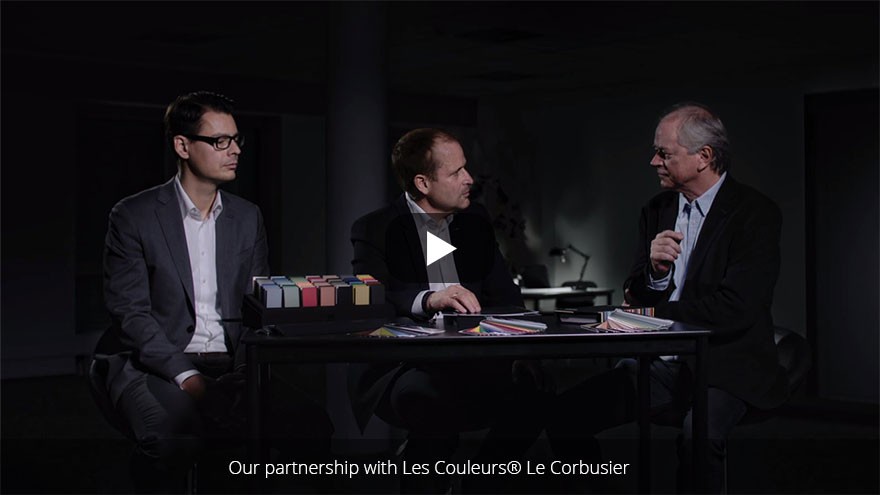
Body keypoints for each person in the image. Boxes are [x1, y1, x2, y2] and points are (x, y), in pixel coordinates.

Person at [91, 91, 332, 492]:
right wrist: (191, 380)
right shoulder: (133, 215)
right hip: (159, 363)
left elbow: (256, 308)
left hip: (233, 363)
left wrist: (244, 372)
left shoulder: (247, 217)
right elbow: (131, 314)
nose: (235, 150)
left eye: (236, 139)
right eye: (220, 141)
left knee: (313, 427)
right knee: (171, 441)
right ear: (182, 146)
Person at [552, 102, 790, 493]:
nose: (653, 161)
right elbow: (634, 292)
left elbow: (736, 308)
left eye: (664, 153)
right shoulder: (656, 209)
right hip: (659, 363)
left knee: (699, 435)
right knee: (566, 416)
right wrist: (656, 273)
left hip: (726, 366)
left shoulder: (755, 213)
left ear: (704, 157)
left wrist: (651, 315)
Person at [349, 128, 548, 492]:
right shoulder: (374, 229)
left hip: (473, 359)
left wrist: (523, 348)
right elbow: (374, 300)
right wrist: (428, 299)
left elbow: (506, 296)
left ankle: (475, 485)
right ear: (423, 183)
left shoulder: (476, 220)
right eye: (456, 172)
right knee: (429, 400)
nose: (469, 179)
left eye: (465, 168)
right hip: (404, 366)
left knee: (536, 394)